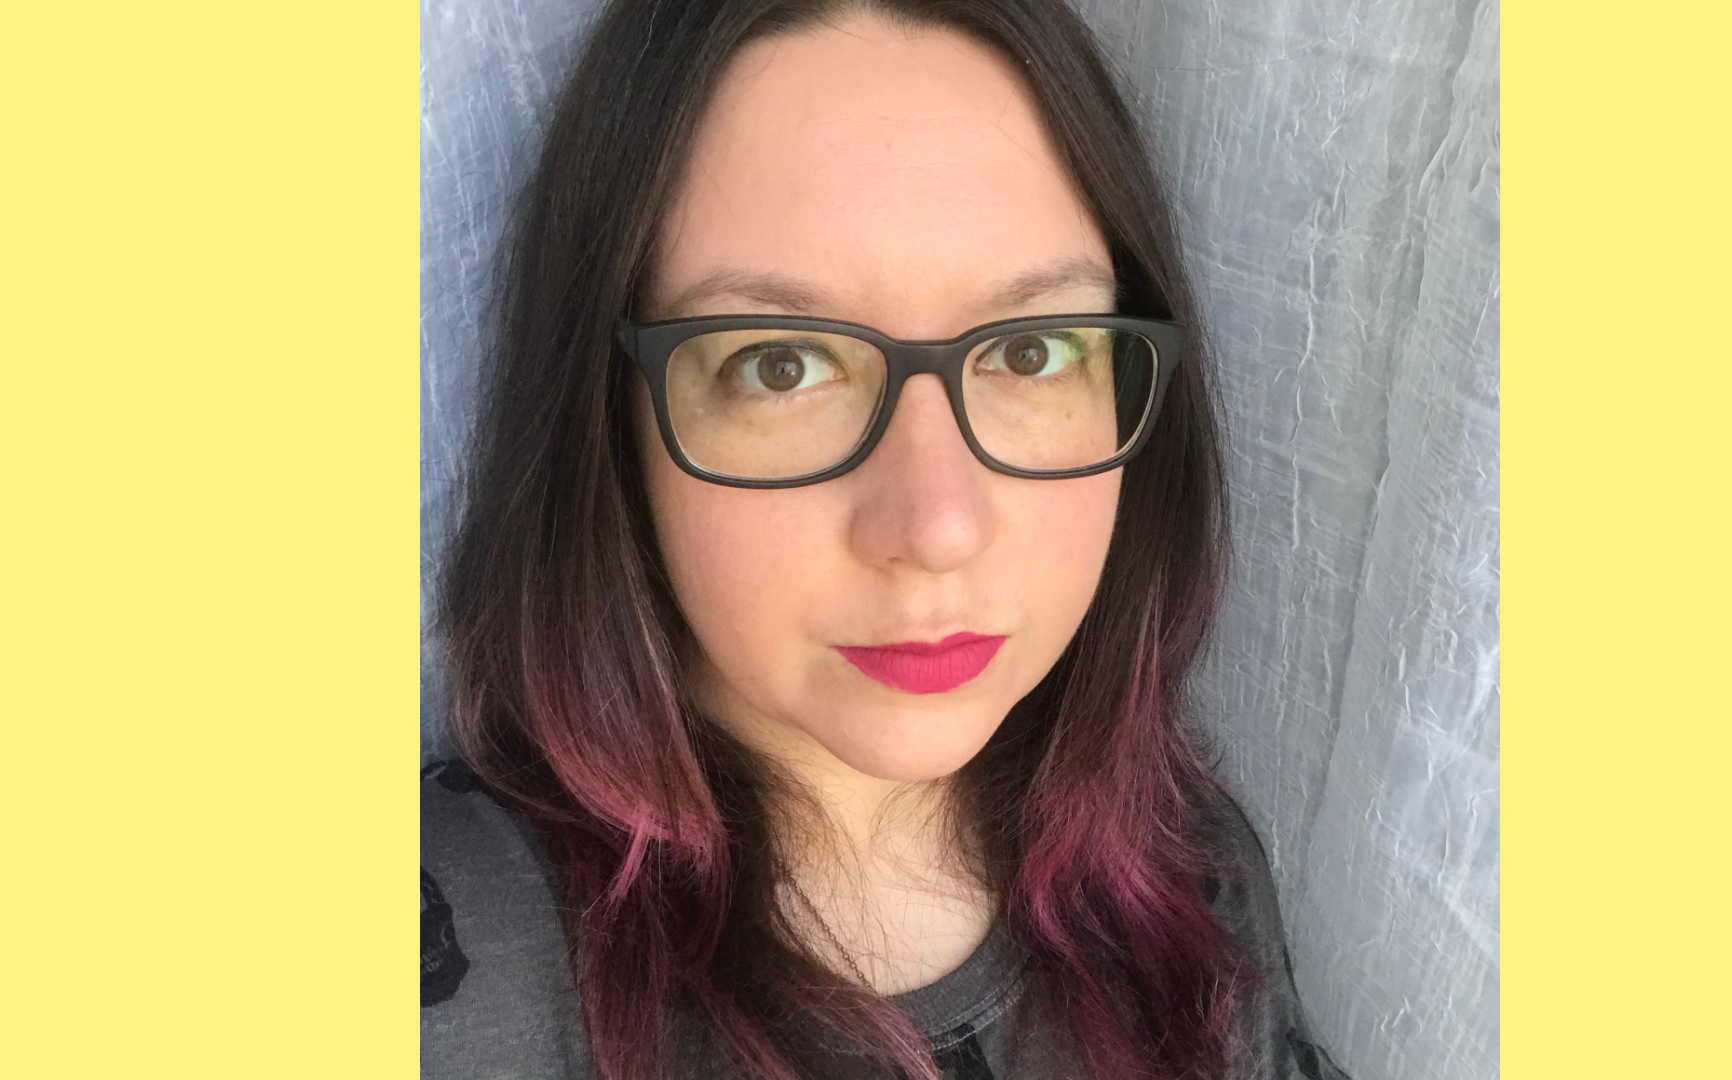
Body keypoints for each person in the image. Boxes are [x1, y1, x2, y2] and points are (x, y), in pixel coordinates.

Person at [423, 1, 1349, 1078]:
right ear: (609, 423)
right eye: (780, 366)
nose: (937, 527)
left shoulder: (1182, 867)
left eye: (1035, 351)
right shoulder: (449, 968)